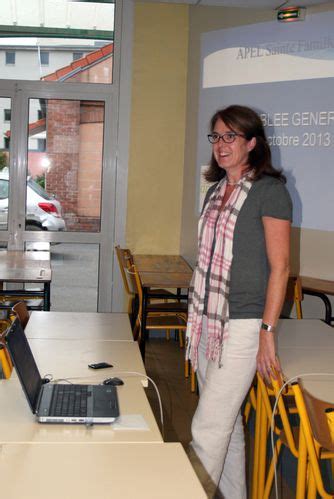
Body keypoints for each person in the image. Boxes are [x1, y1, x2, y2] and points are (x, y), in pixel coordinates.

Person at [186, 105, 292, 498]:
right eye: (216, 136)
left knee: (207, 428)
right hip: (207, 321)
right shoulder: (214, 191)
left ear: (252, 142)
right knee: (226, 428)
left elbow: (280, 268)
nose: (221, 144)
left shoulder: (270, 191)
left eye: (231, 136)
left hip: (244, 324)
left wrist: (267, 331)